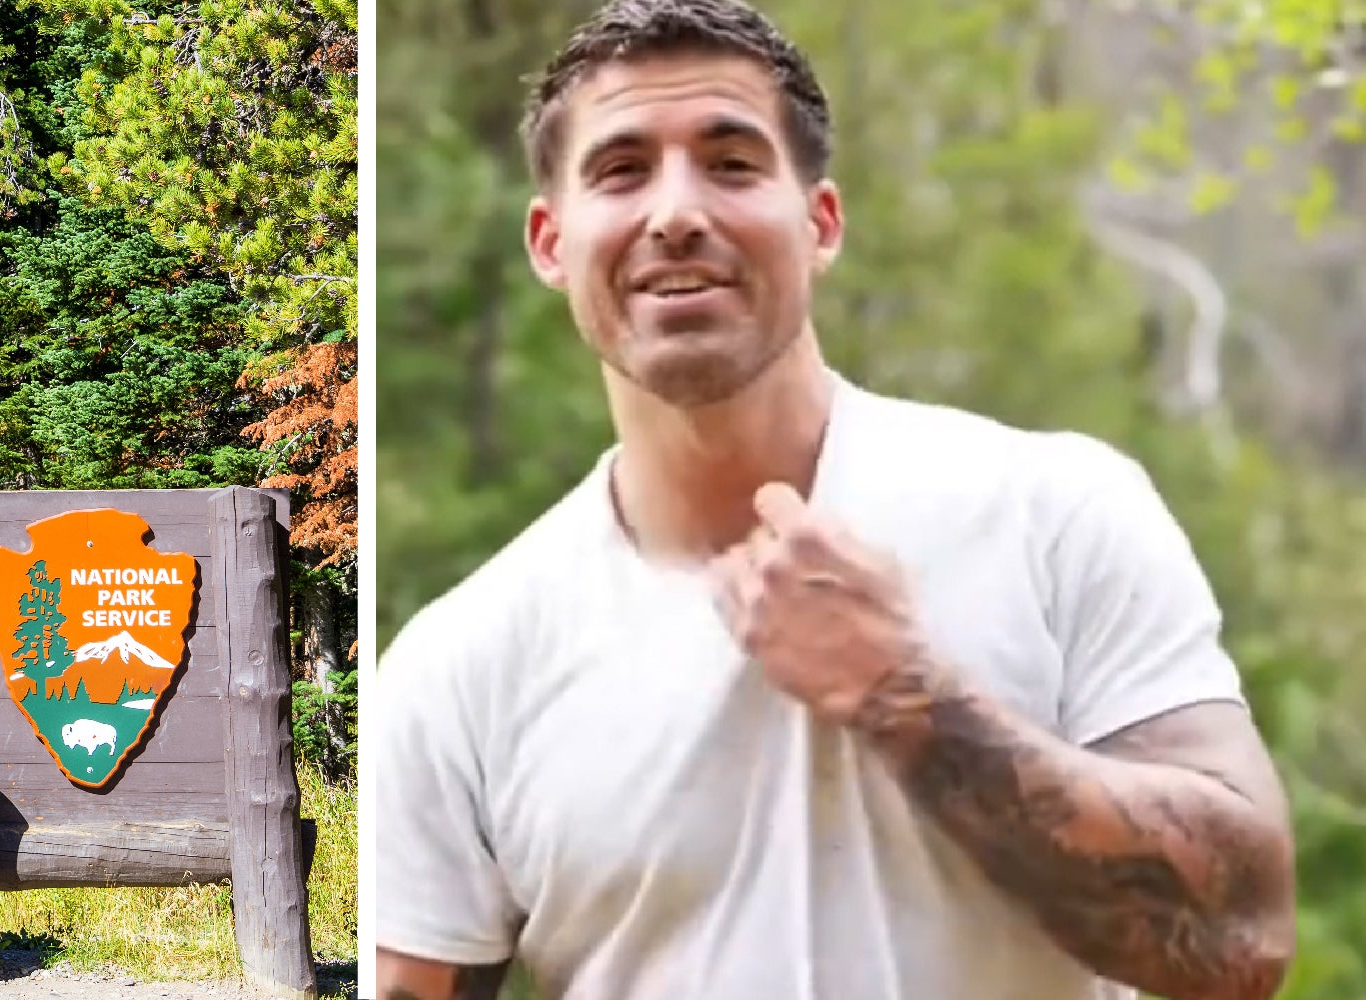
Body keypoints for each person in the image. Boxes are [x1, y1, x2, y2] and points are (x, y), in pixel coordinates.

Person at [371, 1, 1298, 998]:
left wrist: (906, 697)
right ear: (550, 243)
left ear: (819, 224)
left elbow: (1240, 940)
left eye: (730, 163)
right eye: (620, 169)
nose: (676, 213)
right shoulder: (458, 663)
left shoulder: (1056, 511)